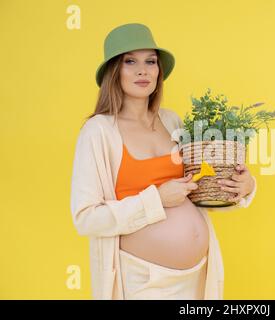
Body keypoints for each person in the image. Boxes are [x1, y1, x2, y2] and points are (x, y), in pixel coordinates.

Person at [70, 23, 257, 300]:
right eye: (130, 61)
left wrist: (244, 186)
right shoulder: (98, 132)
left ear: (159, 70)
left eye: (151, 61)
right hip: (144, 283)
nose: (143, 70)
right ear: (114, 71)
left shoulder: (172, 122)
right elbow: (86, 219)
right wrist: (156, 199)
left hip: (197, 276)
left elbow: (201, 188)